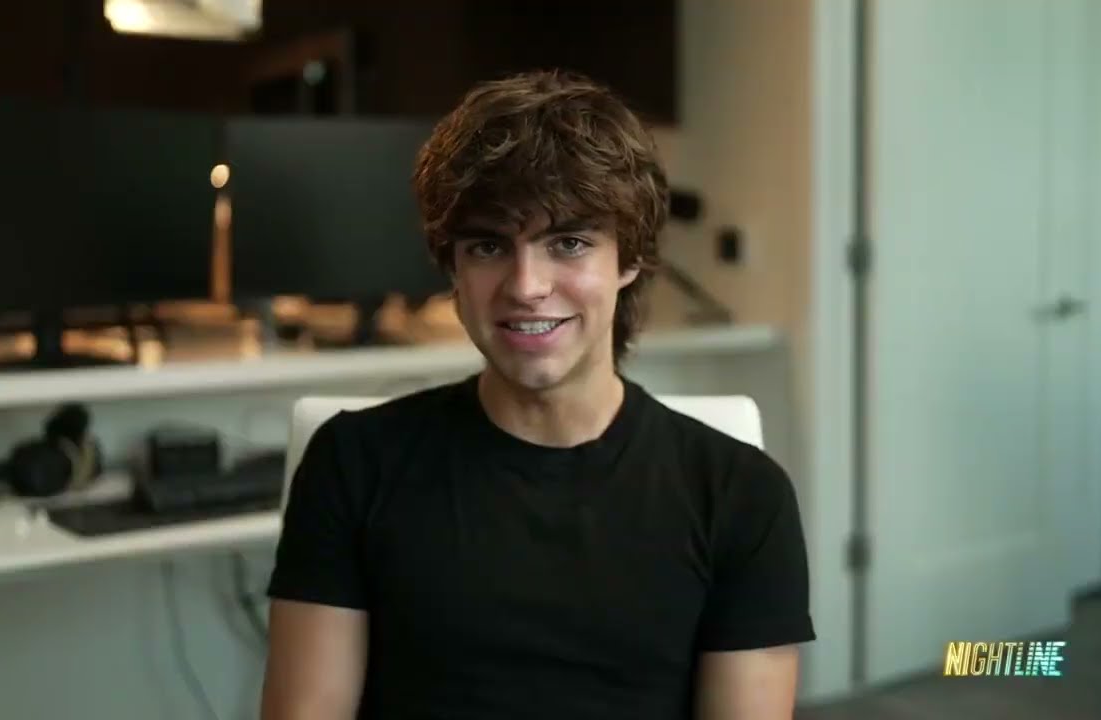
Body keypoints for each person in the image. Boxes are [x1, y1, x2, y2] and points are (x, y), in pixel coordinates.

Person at [260, 70, 815, 720]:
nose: (526, 286)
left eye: (568, 243)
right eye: (489, 245)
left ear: (629, 259)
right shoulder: (353, 463)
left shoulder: (741, 495)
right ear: (454, 269)